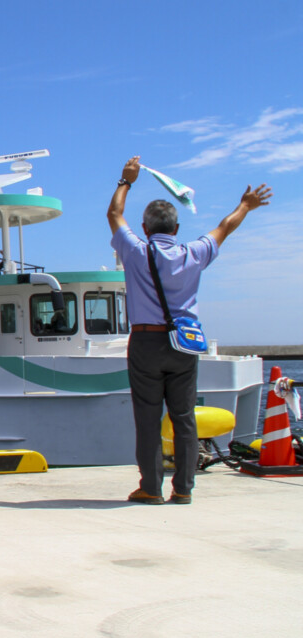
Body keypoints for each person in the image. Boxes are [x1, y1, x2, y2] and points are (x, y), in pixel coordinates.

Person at [108, 156, 271, 505]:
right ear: (176, 229)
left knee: (148, 418)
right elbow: (225, 227)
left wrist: (126, 181)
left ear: (145, 228)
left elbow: (114, 215)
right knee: (183, 417)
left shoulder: (135, 252)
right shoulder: (194, 253)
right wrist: (246, 205)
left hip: (146, 341)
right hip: (184, 343)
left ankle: (151, 487)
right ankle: (183, 488)